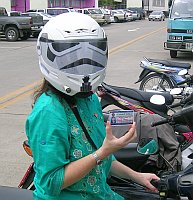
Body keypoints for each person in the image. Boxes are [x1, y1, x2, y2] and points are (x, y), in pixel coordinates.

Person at [25, 12, 159, 200]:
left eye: (91, 57)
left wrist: (137, 177)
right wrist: (104, 151)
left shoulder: (88, 100)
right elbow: (51, 182)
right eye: (72, 59)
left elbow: (102, 158)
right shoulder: (49, 111)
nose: (83, 67)